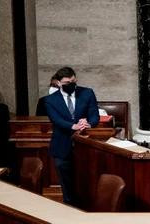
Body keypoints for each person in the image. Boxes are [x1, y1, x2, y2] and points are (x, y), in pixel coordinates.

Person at [44, 67, 99, 204]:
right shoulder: (50, 100)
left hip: (84, 145)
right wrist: (72, 126)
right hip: (62, 145)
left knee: (86, 180)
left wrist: (88, 123)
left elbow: (94, 114)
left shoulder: (87, 93)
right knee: (66, 183)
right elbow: (55, 119)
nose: (71, 84)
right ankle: (70, 209)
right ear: (58, 83)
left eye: (73, 81)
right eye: (67, 83)